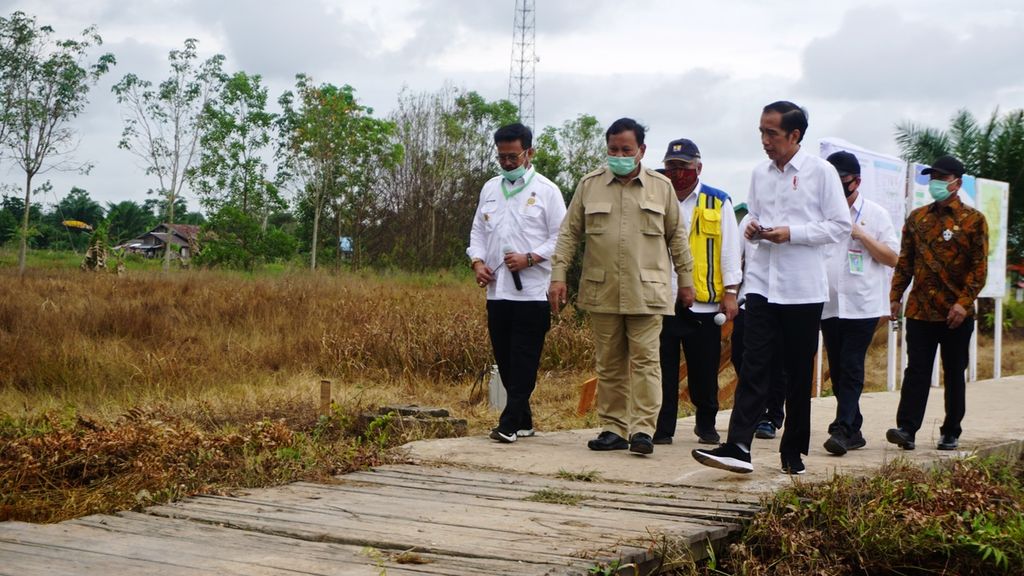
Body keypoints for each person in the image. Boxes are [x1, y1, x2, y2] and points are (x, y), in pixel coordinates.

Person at [692, 101, 850, 474]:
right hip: (762, 286)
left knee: (796, 374)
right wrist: (753, 227)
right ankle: (738, 447)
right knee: (753, 364)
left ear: (794, 136)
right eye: (761, 132)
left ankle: (792, 451)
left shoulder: (821, 173)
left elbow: (839, 226)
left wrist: (792, 234)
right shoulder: (760, 173)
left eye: (772, 133)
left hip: (802, 290)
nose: (764, 140)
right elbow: (758, 216)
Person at [549, 118, 695, 456]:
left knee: (646, 361)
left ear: (641, 150)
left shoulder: (661, 187)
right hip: (602, 290)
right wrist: (558, 276)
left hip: (648, 290)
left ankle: (643, 429)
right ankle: (614, 427)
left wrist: (686, 281)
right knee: (610, 363)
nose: (619, 155)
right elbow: (569, 233)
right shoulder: (589, 185)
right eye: (613, 149)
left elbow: (677, 237)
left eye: (626, 150)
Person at [468, 122, 567, 444]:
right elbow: (478, 232)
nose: (508, 163)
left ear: (528, 153)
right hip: (498, 292)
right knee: (506, 359)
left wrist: (532, 257)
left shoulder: (547, 190)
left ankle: (508, 423)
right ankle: (523, 420)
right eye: (502, 157)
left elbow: (561, 238)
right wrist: (478, 261)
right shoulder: (490, 188)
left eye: (513, 156)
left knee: (525, 357)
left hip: (533, 292)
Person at [887, 155, 988, 451]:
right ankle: (907, 428)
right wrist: (895, 296)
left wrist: (963, 303)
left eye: (942, 178)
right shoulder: (917, 218)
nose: (936, 184)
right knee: (916, 369)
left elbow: (979, 268)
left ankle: (951, 429)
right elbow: (904, 263)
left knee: (954, 371)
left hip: (955, 312)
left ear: (957, 182)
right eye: (933, 178)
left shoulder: (973, 220)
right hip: (920, 310)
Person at [653, 138, 741, 446]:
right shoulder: (654, 196)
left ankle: (706, 424)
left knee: (704, 369)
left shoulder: (717, 201)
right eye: (671, 166)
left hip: (703, 303)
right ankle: (662, 428)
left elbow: (730, 250)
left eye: (683, 167)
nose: (677, 173)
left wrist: (731, 292)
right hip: (661, 300)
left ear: (698, 167)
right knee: (660, 370)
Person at [820, 151, 899, 455]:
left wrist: (861, 234)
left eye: (844, 182)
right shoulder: (823, 213)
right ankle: (854, 428)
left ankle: (841, 429)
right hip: (830, 305)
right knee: (839, 369)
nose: (839, 188)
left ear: (857, 181)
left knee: (851, 364)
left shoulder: (876, 214)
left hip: (863, 304)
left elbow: (892, 257)